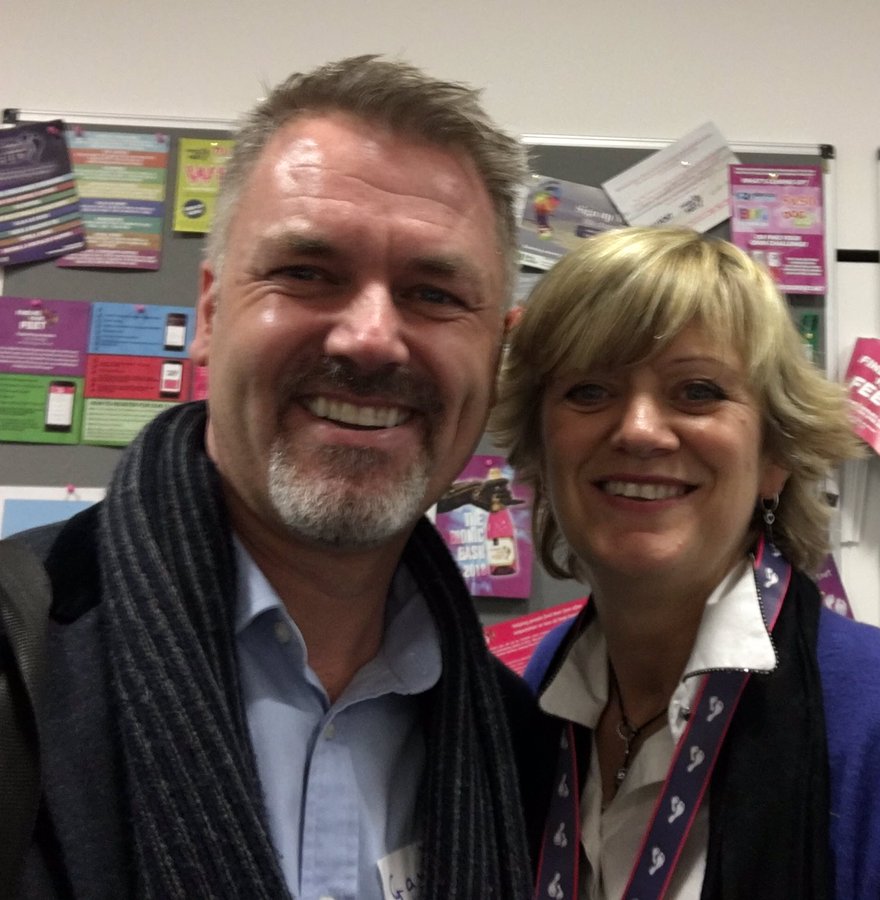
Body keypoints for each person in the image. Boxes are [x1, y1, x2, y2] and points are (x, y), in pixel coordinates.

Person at [5, 56, 551, 899]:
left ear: (498, 352)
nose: (370, 338)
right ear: (211, 312)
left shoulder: (519, 749)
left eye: (435, 293)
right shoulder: (18, 664)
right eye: (306, 273)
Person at [492, 226, 880, 898]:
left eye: (697, 391)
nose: (639, 430)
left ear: (775, 454)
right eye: (589, 390)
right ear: (540, 446)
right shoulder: (545, 688)